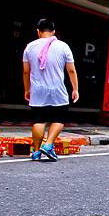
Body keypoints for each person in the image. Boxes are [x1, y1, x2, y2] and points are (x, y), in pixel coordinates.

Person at [23, 18, 79, 161]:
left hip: (37, 89)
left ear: (38, 31)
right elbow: (71, 70)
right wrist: (75, 89)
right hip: (57, 89)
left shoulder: (29, 47)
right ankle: (48, 145)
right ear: (53, 31)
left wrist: (27, 89)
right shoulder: (63, 46)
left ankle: (36, 152)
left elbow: (25, 72)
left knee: (38, 120)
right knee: (59, 118)